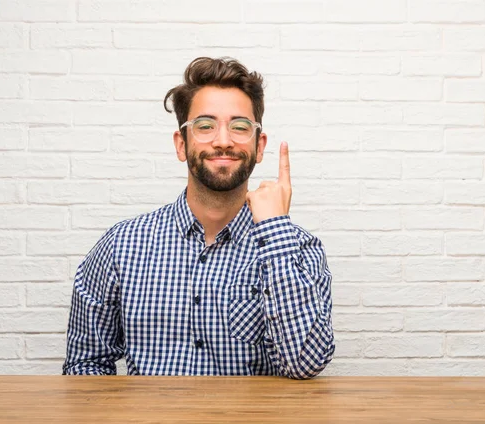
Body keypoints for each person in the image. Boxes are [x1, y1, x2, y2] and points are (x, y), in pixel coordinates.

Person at [62, 57, 335, 379]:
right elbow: (85, 365)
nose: (223, 140)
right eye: (205, 126)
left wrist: (275, 231)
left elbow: (305, 365)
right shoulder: (121, 245)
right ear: (182, 144)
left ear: (259, 147)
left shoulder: (297, 248)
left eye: (240, 126)